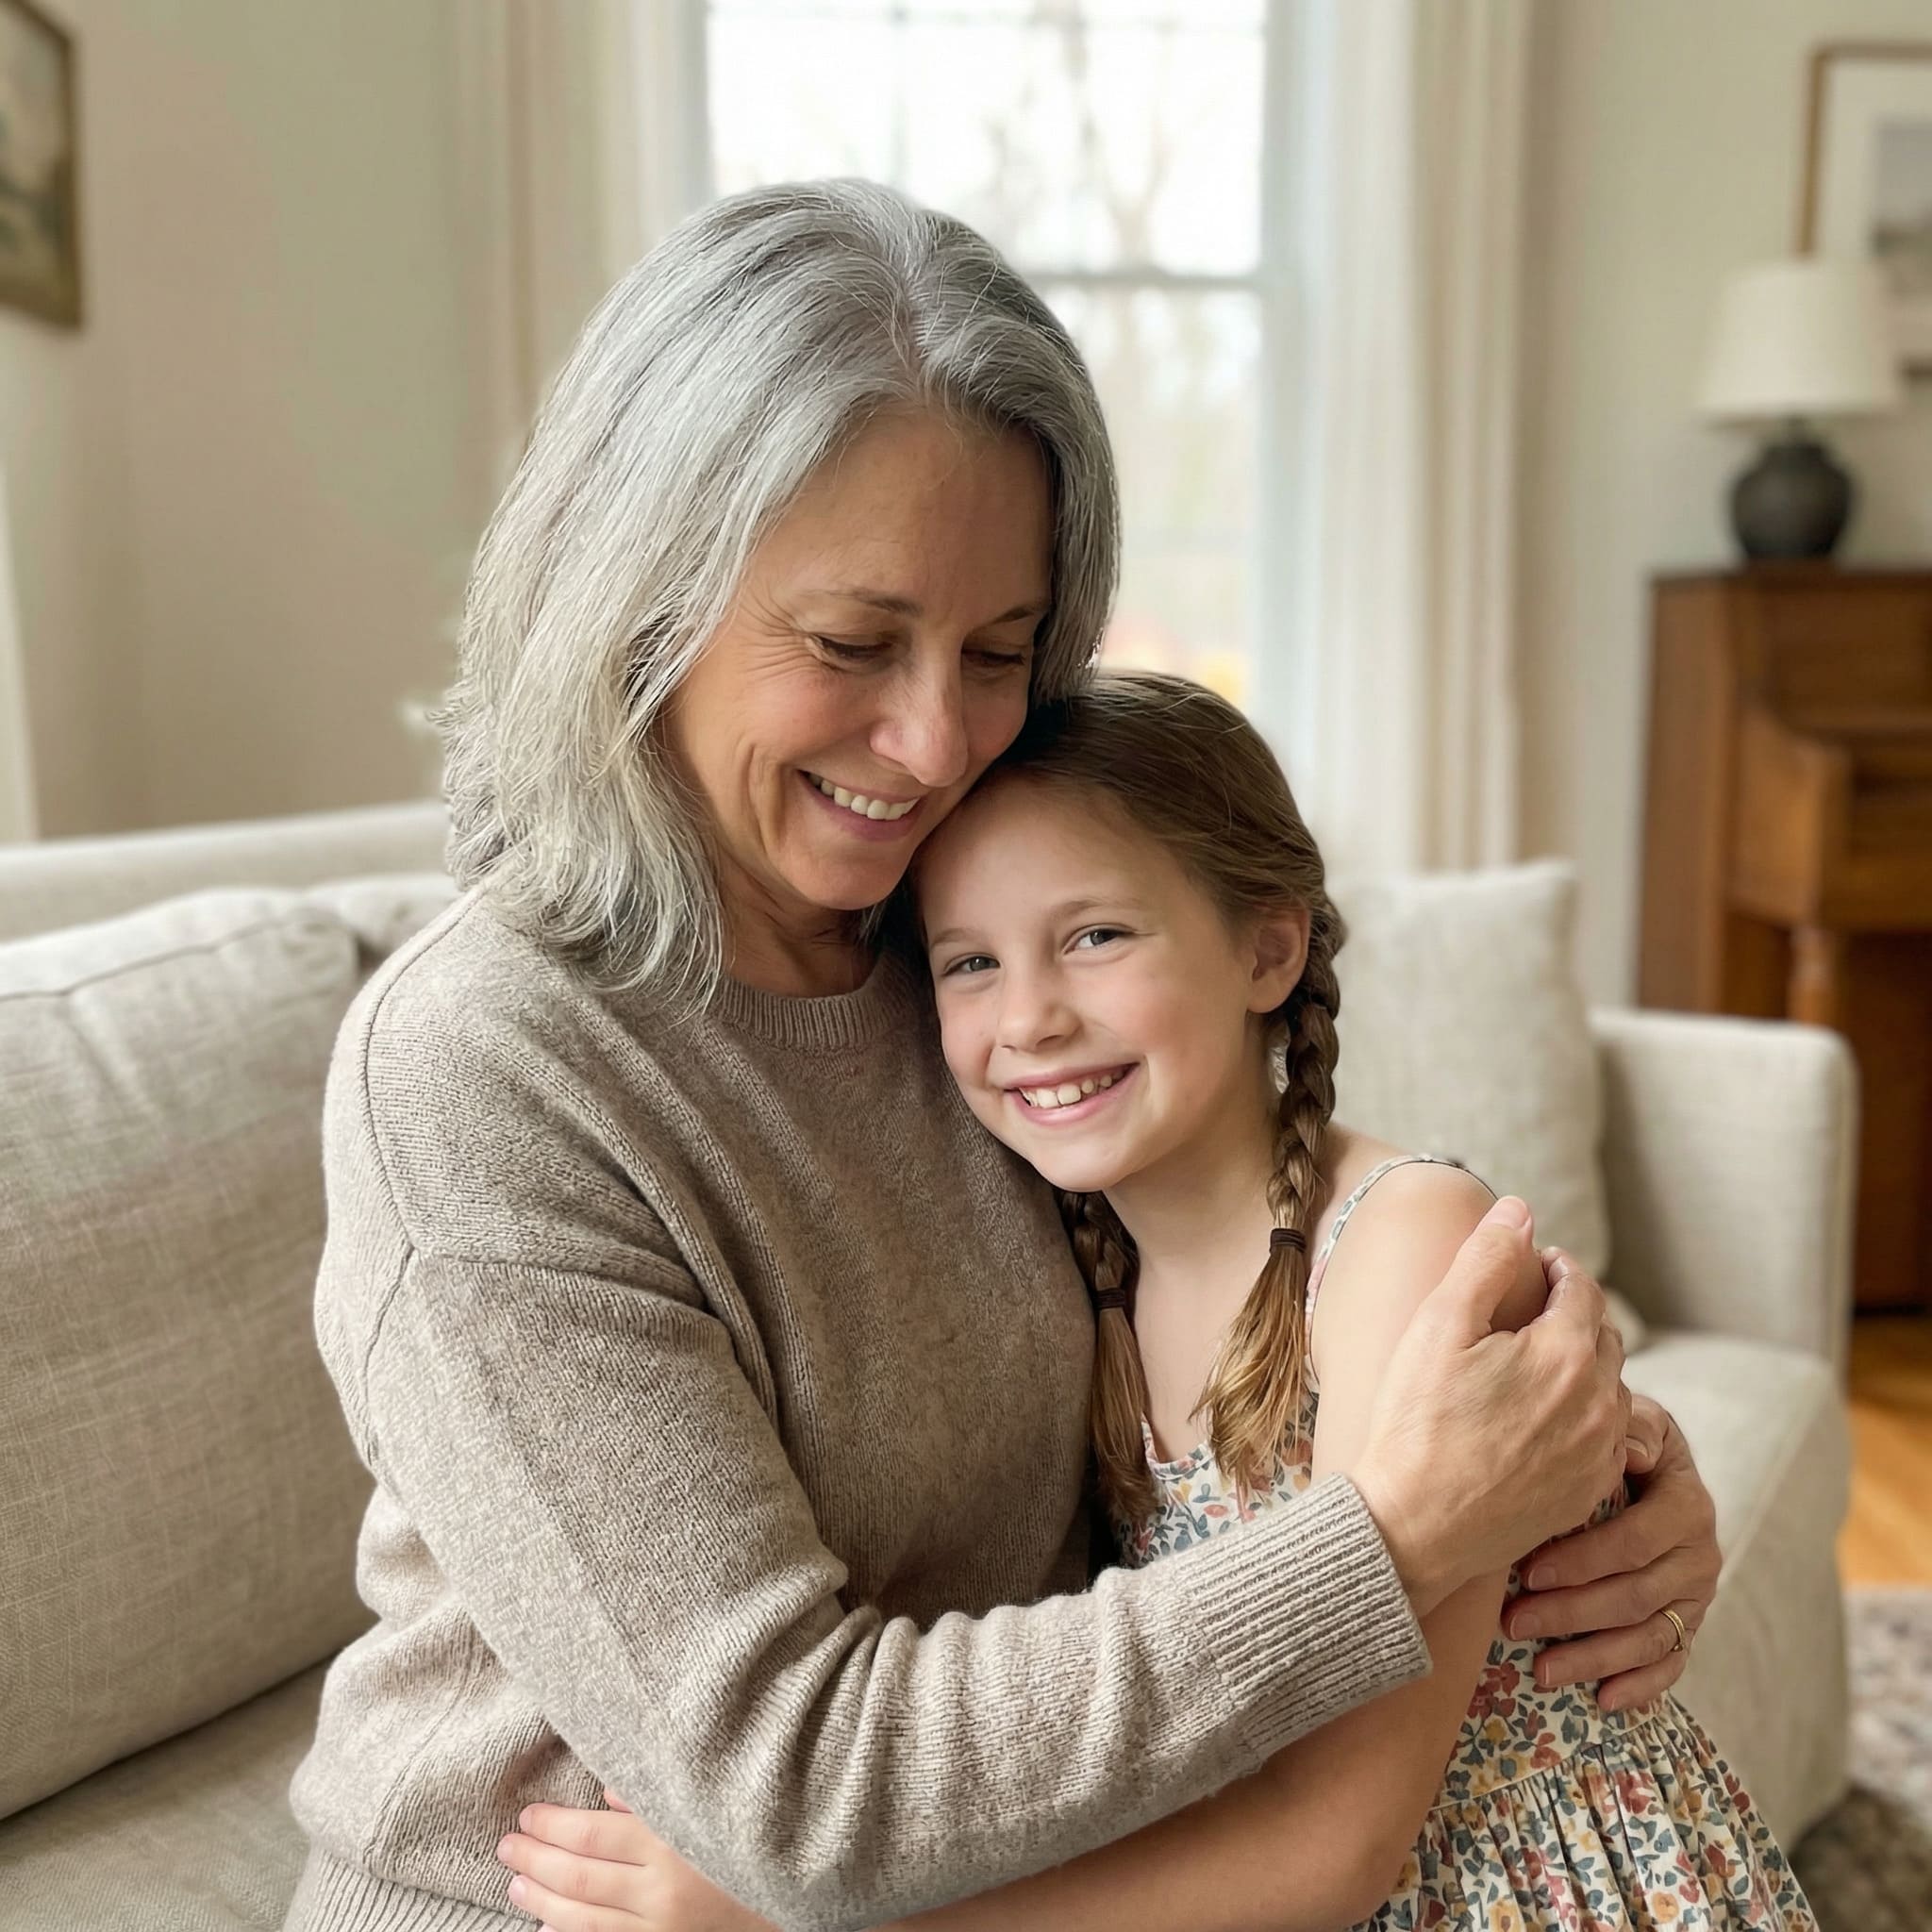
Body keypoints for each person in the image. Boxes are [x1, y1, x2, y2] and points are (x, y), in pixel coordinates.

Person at [281, 180, 1721, 1932]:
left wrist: (1592, 1470)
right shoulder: (484, 1075)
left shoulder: (951, 953)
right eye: (850, 643)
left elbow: (1241, 1287)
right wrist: (1408, 1533)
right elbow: (794, 1796)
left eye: (998, 655)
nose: (932, 740)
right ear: (634, 592)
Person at [494, 673, 1807, 1932]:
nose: (1032, 1019)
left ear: (1266, 948)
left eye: (1096, 936)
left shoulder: (1402, 1243)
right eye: (969, 964)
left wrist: (816, 1918)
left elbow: (1335, 1849)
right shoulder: (1070, 1258)